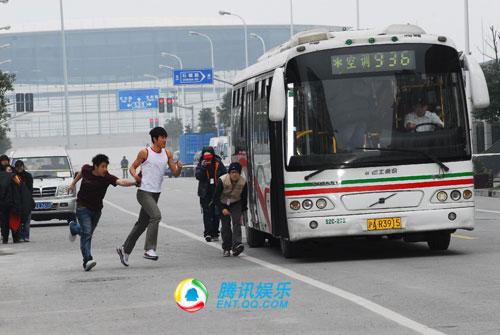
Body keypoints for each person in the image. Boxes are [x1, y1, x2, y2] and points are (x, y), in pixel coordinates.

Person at [117, 127, 182, 267]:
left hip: (156, 193)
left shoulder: (168, 153)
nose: (164, 140)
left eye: (165, 137)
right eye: (162, 137)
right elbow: (132, 167)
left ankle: (124, 250)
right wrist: (136, 177)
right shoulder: (145, 152)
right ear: (154, 139)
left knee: (142, 224)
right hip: (144, 192)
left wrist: (179, 168)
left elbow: (175, 173)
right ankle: (149, 249)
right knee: (156, 216)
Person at [68, 154, 136, 271]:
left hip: (96, 210)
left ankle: (74, 228)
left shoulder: (107, 177)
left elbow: (120, 182)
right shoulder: (86, 169)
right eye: (103, 166)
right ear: (95, 166)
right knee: (87, 234)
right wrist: (73, 183)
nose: (105, 169)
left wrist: (135, 182)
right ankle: (87, 260)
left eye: (106, 166)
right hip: (82, 207)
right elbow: (80, 173)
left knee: (86, 233)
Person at [214, 162, 248, 257]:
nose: (234, 174)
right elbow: (216, 198)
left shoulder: (243, 182)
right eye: (232, 172)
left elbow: (244, 197)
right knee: (226, 226)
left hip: (236, 203)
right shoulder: (222, 180)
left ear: (240, 173)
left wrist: (243, 209)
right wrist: (222, 208)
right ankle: (226, 248)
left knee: (237, 223)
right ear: (229, 173)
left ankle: (237, 245)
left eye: (236, 172)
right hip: (223, 203)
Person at [195, 146, 227, 242]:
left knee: (216, 213)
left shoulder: (218, 162)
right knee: (207, 213)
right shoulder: (201, 164)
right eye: (206, 155)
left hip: (217, 191)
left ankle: (215, 232)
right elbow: (198, 176)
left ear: (212, 154)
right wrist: (203, 167)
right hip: (205, 192)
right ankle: (208, 233)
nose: (208, 158)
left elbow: (225, 174)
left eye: (209, 155)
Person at [14, 160, 35, 242]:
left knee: (27, 220)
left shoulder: (28, 176)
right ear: (15, 168)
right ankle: (19, 236)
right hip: (17, 201)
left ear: (23, 166)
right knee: (18, 220)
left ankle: (26, 236)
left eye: (21, 166)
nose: (19, 168)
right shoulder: (13, 176)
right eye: (17, 167)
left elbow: (30, 189)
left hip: (27, 200)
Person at [0, 165, 21, 244]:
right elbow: (19, 184)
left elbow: (19, 184)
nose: (10, 172)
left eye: (11, 170)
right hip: (6, 204)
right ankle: (6, 239)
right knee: (5, 222)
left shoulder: (14, 177)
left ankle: (15, 238)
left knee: (14, 220)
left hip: (12, 203)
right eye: (8, 170)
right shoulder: (11, 177)